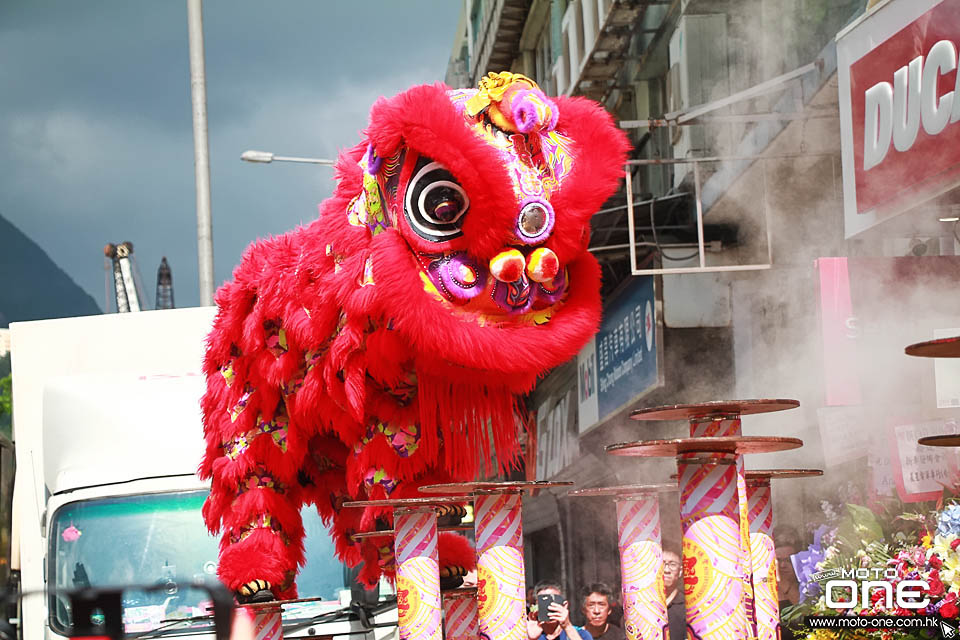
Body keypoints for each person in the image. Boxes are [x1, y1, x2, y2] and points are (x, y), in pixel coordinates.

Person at [662, 550, 685, 640]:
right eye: (662, 564)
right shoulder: (647, 605)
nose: (666, 570)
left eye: (672, 565)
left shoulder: (687, 608)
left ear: (680, 571)